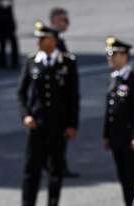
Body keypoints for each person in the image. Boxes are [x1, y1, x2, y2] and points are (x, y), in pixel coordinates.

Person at [17, 21, 80, 206]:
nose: (39, 42)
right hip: (36, 125)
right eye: (38, 38)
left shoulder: (67, 62)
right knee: (31, 170)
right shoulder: (31, 61)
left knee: (55, 171)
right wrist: (25, 115)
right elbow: (21, 92)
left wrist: (72, 124)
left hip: (59, 126)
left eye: (42, 38)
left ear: (53, 40)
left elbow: (73, 97)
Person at [103, 36, 134, 206]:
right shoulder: (114, 78)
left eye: (113, 55)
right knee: (123, 177)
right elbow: (109, 111)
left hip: (131, 139)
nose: (110, 59)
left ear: (124, 56)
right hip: (116, 138)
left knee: (132, 178)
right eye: (109, 55)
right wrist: (106, 135)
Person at [49, 7, 79, 178]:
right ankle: (58, 166)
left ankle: (55, 165)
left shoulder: (57, 39)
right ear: (53, 21)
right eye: (63, 20)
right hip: (58, 98)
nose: (66, 24)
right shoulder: (54, 40)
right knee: (59, 136)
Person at [0, 0, 19, 70]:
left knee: (11, 39)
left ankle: (14, 62)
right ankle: (2, 62)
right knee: (1, 40)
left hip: (6, 11)